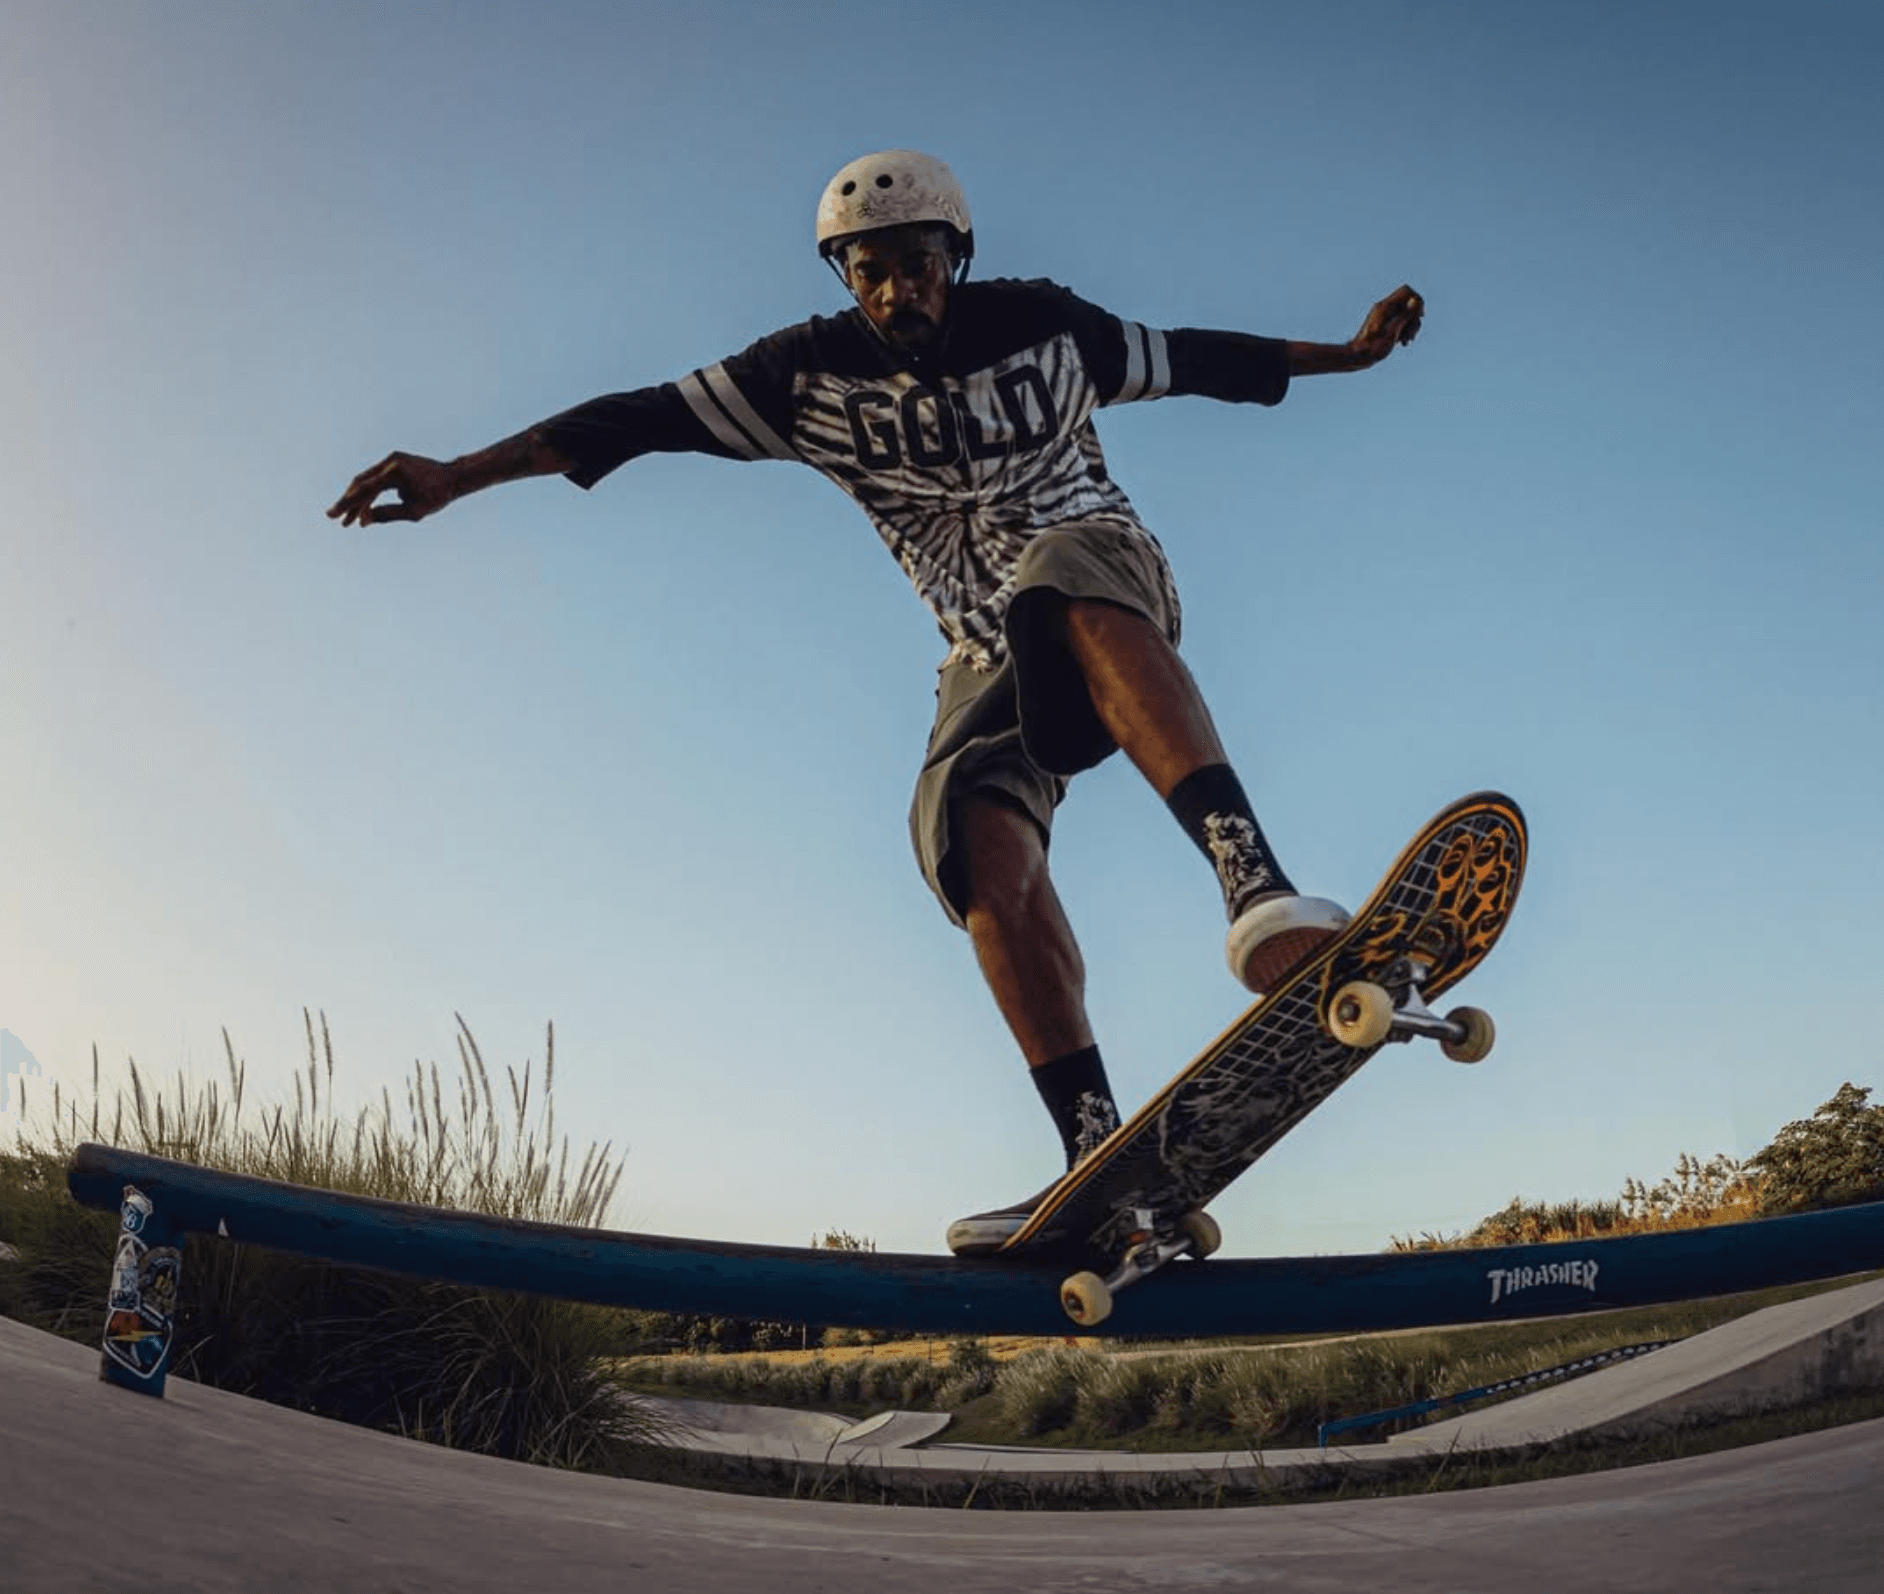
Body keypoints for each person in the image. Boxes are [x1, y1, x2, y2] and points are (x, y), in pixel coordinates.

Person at [327, 149, 1424, 1253]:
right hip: (979, 649)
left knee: (1060, 570)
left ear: (960, 256)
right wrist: (457, 476)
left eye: (921, 265)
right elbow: (633, 417)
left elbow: (1192, 358)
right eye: (874, 273)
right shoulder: (800, 375)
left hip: (1104, 574)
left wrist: (1348, 354)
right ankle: (1096, 1151)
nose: (902, 293)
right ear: (845, 276)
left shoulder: (1045, 324)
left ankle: (1253, 884)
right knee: (965, 838)